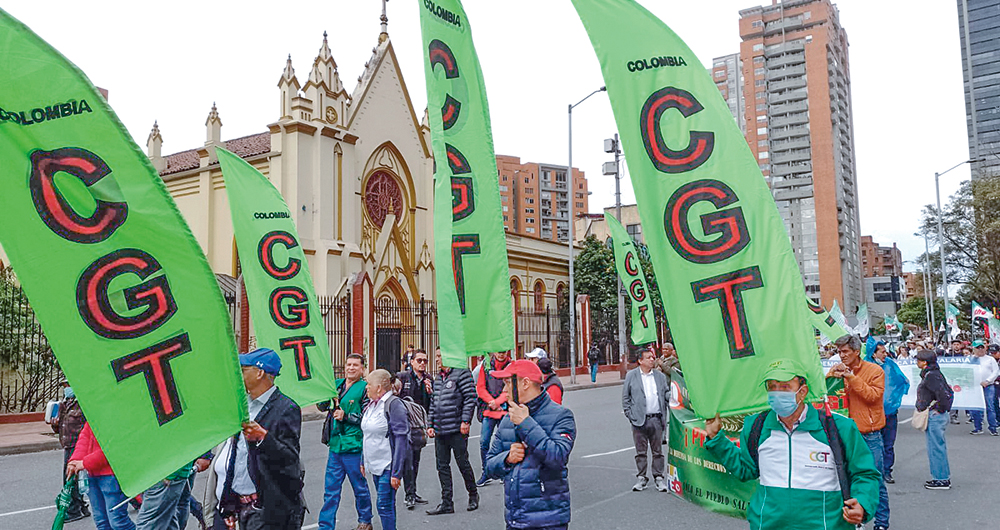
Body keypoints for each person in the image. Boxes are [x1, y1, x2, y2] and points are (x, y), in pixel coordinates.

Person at [704, 358, 881, 530]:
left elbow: (865, 473)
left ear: (802, 392)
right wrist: (716, 438)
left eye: (785, 387)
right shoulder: (755, 425)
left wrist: (862, 504)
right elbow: (745, 469)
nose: (777, 392)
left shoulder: (839, 427)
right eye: (772, 387)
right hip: (768, 524)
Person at [484, 360, 576, 530]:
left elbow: (558, 458)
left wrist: (526, 423)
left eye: (507, 383)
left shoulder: (561, 416)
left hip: (548, 520)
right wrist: (507, 459)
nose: (503, 390)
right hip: (515, 519)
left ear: (525, 383)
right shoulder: (507, 419)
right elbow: (489, 466)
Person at [232, 348, 305, 529]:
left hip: (267, 509)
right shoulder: (242, 404)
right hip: (238, 506)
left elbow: (290, 458)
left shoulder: (286, 408)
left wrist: (263, 437)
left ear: (259, 373)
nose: (239, 374)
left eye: (243, 369)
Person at [827, 334, 889, 530]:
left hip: (869, 435)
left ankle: (881, 522)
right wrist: (830, 377)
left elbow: (873, 396)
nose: (841, 356)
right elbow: (827, 394)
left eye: (845, 351)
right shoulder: (836, 370)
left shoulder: (875, 370)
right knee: (845, 479)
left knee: (874, 480)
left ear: (856, 352)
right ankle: (855, 519)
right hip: (843, 435)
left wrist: (851, 377)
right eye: (839, 352)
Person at [318, 353, 373, 530]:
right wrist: (325, 396)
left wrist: (346, 416)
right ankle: (326, 526)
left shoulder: (365, 388)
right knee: (330, 490)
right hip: (335, 445)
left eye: (355, 365)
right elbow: (321, 406)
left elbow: (367, 417)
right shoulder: (336, 384)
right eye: (348, 364)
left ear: (362, 368)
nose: (351, 368)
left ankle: (365, 520)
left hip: (354, 446)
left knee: (360, 487)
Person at [426, 348, 479, 515]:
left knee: (463, 463)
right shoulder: (438, 378)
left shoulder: (462, 373)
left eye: (440, 356)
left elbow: (470, 398)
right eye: (436, 357)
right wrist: (430, 424)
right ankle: (447, 502)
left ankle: (473, 494)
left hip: (457, 428)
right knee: (442, 466)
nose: (437, 360)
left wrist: (465, 420)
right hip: (440, 430)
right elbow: (434, 403)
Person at [360, 369, 409, 530]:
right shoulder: (371, 405)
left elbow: (401, 439)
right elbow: (366, 434)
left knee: (383, 505)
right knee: (387, 504)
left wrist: (396, 472)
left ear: (379, 387)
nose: (366, 387)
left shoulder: (394, 405)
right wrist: (363, 460)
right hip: (375, 465)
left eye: (369, 384)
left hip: (388, 465)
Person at [66, 422, 136, 530]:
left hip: (111, 475)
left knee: (118, 522)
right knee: (102, 522)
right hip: (92, 474)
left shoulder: (115, 416)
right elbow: (84, 438)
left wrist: (85, 463)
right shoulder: (93, 413)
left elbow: (113, 448)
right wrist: (75, 460)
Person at [622, 348, 669, 492]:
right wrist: (631, 415)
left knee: (657, 451)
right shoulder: (632, 376)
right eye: (648, 357)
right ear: (640, 361)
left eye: (652, 357)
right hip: (639, 420)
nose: (652, 359)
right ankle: (641, 477)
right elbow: (626, 398)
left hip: (656, 418)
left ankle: (659, 478)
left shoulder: (660, 376)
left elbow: (666, 392)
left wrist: (673, 396)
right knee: (641, 452)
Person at [396, 349, 433, 509]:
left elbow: (432, 404)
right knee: (408, 461)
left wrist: (430, 391)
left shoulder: (429, 379)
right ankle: (409, 495)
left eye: (425, 361)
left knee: (416, 460)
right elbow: (394, 396)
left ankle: (413, 492)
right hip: (404, 426)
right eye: (419, 360)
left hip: (419, 426)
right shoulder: (403, 377)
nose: (422, 363)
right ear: (412, 362)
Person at [915, 349, 954, 490]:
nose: (916, 362)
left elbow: (944, 395)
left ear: (924, 362)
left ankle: (941, 478)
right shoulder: (933, 373)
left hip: (935, 415)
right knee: (936, 446)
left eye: (918, 360)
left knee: (936, 447)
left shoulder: (931, 376)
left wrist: (939, 409)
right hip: (936, 414)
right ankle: (940, 477)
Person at [51, 381, 90, 522]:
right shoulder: (65, 403)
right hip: (68, 444)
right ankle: (81, 507)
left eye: (68, 385)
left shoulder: (83, 403)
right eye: (65, 386)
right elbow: (60, 427)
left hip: (78, 445)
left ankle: (74, 510)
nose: (66, 389)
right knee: (76, 479)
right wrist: (54, 424)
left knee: (70, 478)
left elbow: (88, 427)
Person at [871, 341, 909, 484]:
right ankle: (875, 471)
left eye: (885, 351)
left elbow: (902, 380)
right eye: (882, 351)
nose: (885, 354)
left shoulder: (890, 364)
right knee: (874, 443)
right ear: (873, 353)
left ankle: (887, 471)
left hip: (890, 412)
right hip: (873, 413)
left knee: (888, 443)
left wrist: (895, 397)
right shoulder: (865, 366)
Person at [476, 349, 511, 486]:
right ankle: (487, 472)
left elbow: (510, 388)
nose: (501, 354)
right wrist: (492, 402)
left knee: (505, 442)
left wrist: (497, 402)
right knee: (484, 442)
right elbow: (480, 387)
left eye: (504, 351)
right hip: (489, 410)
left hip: (503, 410)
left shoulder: (510, 365)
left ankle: (503, 470)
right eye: (499, 351)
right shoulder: (485, 366)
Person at [969, 340, 999, 435]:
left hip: (988, 386)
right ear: (974, 349)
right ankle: (978, 427)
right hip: (975, 386)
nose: (980, 349)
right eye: (978, 348)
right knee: (975, 407)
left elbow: (996, 372)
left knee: (990, 406)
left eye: (982, 347)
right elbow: (965, 371)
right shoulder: (969, 359)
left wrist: (988, 381)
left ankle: (993, 427)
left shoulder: (990, 359)